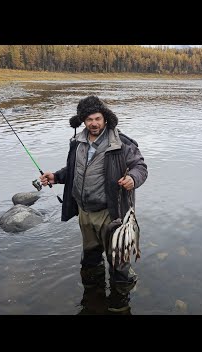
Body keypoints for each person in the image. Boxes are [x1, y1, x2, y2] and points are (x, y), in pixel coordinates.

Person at [40, 95, 148, 313]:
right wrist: (56, 177)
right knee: (90, 258)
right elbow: (73, 170)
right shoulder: (77, 142)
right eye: (89, 119)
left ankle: (120, 301)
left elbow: (141, 167)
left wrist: (133, 179)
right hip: (85, 212)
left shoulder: (122, 144)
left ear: (105, 118)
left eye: (98, 118)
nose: (94, 123)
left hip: (111, 214)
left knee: (118, 263)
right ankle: (92, 293)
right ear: (83, 121)